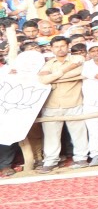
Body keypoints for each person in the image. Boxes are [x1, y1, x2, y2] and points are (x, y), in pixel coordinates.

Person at [36, 36, 83, 171]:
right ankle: (50, 161)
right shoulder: (49, 63)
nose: (60, 49)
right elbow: (43, 80)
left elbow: (78, 72)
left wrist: (54, 76)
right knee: (51, 135)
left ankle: (81, 158)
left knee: (78, 133)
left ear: (68, 46)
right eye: (56, 47)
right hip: (52, 103)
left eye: (62, 46)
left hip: (74, 100)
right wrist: (64, 71)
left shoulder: (77, 59)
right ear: (51, 48)